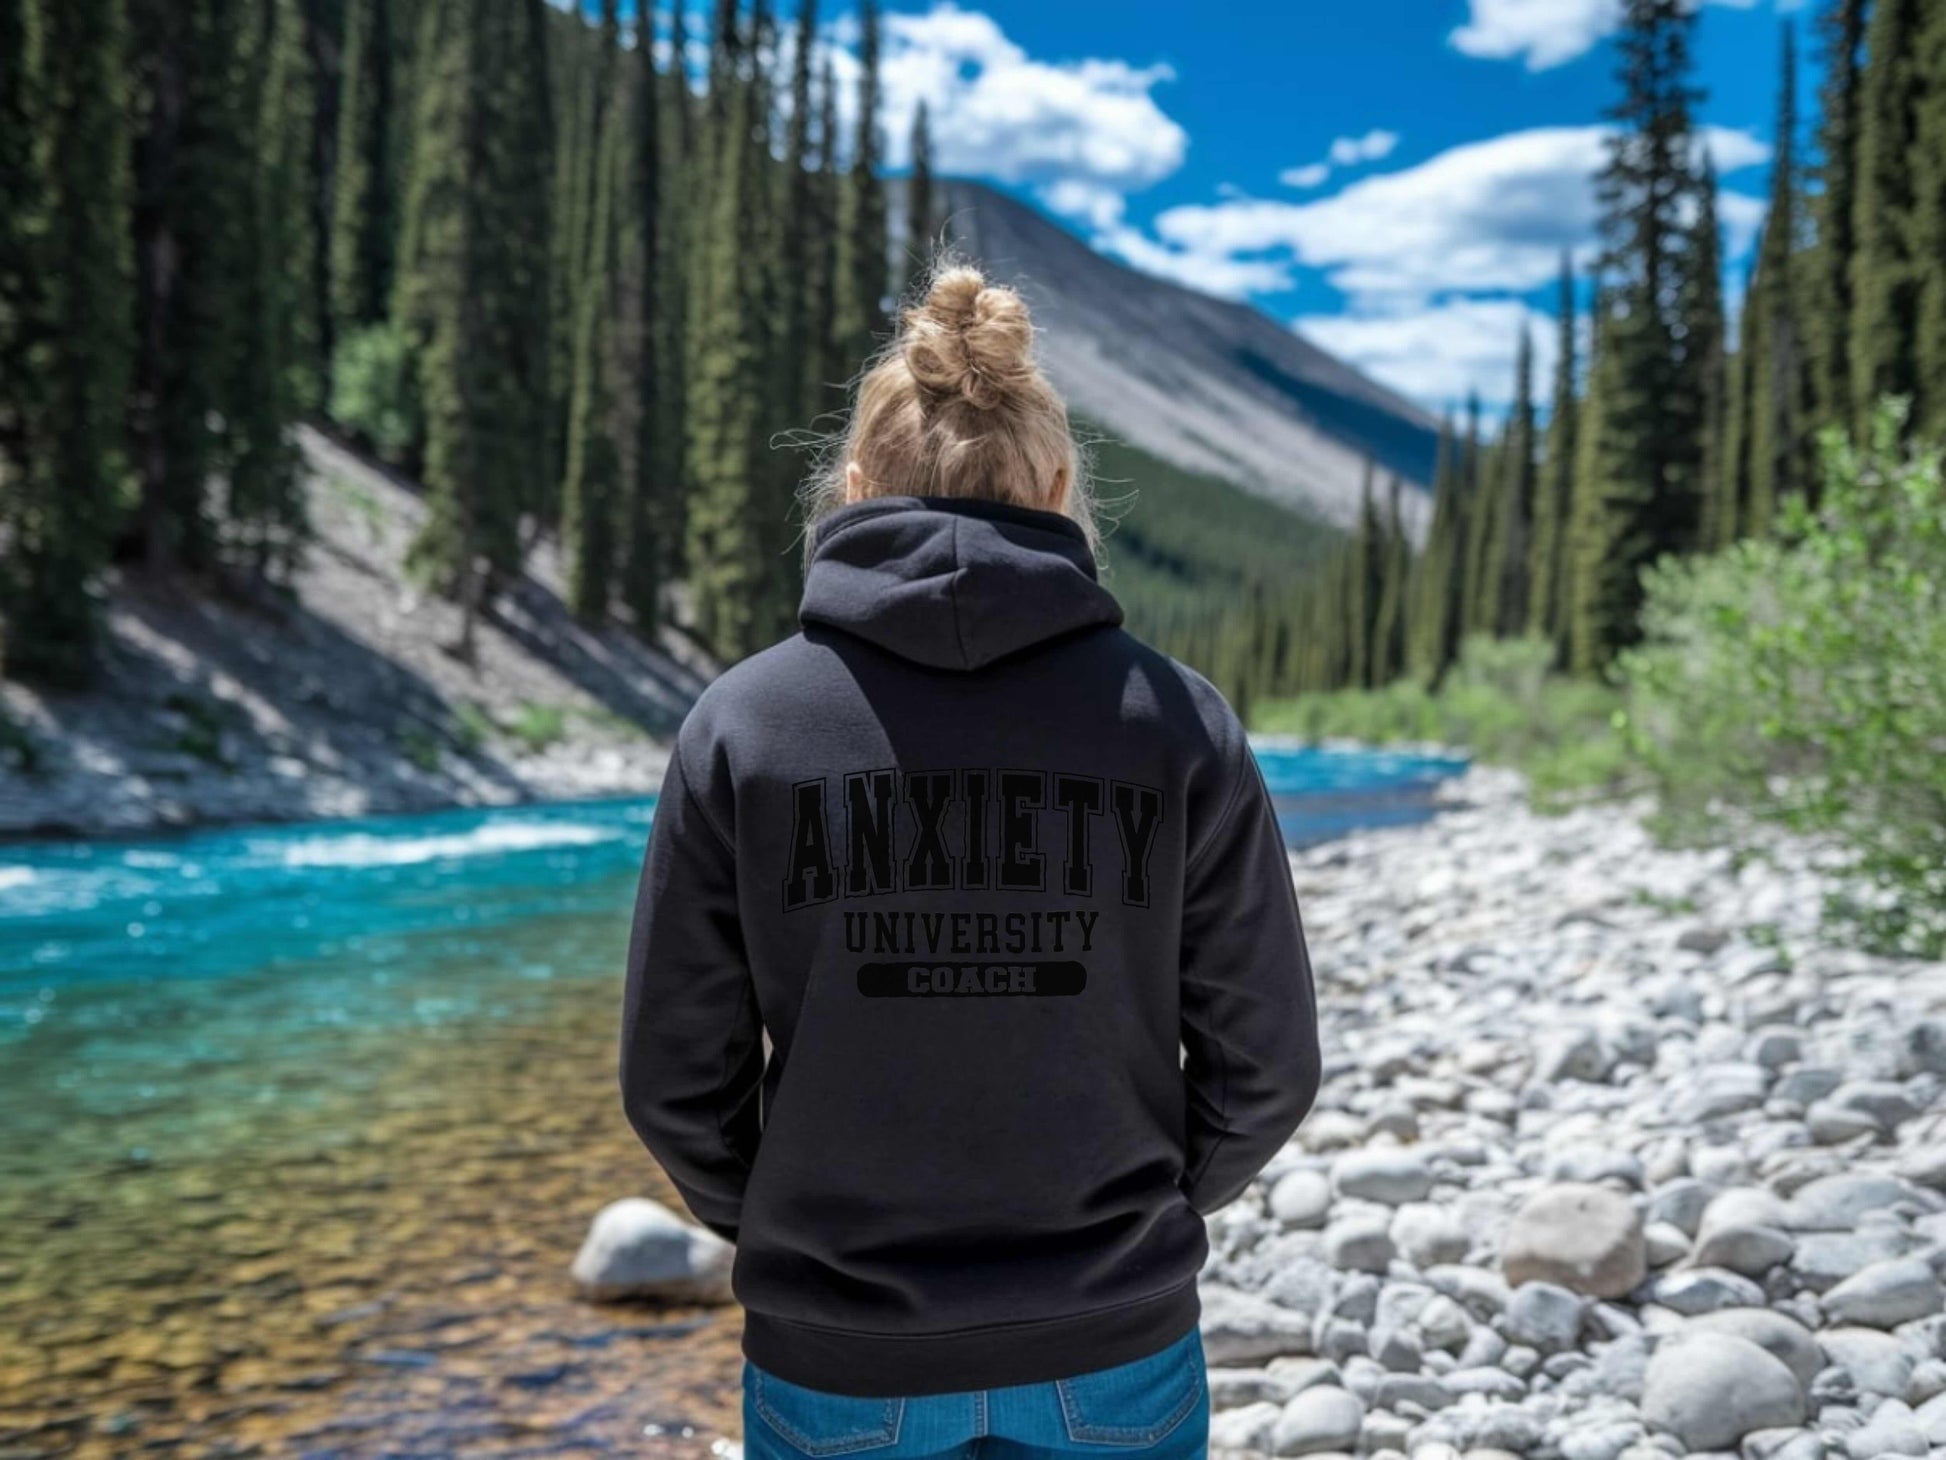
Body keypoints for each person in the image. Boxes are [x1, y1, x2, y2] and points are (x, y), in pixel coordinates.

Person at [621, 260, 1320, 1460]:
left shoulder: (742, 723)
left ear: (854, 486)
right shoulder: (1177, 720)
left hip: (836, 1363)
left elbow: (672, 1077)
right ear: (1055, 490)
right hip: (1115, 1348)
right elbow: (1267, 1061)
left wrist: (793, 1236)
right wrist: (1142, 1219)